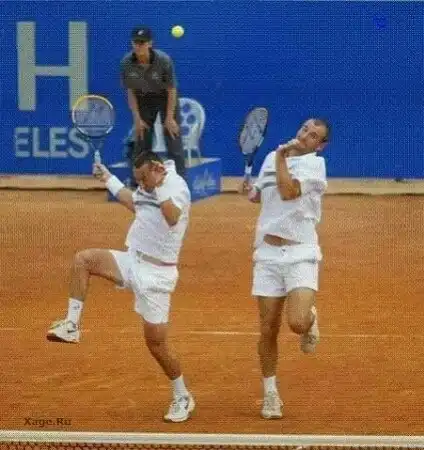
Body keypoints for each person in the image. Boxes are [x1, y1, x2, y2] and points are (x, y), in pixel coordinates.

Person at [46, 151, 194, 423]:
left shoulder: (176, 186)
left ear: (156, 169)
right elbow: (134, 202)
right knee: (84, 260)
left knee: (156, 344)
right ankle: (72, 325)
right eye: (137, 180)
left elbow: (173, 217)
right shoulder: (147, 185)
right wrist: (107, 178)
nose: (141, 185)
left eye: (143, 179)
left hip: (157, 276)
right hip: (131, 261)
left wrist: (158, 187)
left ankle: (182, 395)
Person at [244, 118, 330, 419]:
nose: (305, 136)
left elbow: (289, 192)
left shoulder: (315, 166)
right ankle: (270, 393)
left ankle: (310, 319)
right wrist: (252, 191)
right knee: (268, 328)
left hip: (300, 252)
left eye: (314, 136)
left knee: (296, 322)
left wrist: (281, 156)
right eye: (305, 129)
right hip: (268, 254)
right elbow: (261, 194)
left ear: (320, 146)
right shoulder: (271, 157)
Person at [120, 26, 186, 179]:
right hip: (144, 99)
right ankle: (140, 183)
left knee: (173, 140)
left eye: (142, 43)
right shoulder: (126, 63)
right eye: (136, 42)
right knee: (142, 141)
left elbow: (171, 90)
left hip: (165, 98)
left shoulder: (163, 60)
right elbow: (131, 92)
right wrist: (137, 119)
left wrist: (169, 118)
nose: (139, 46)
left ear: (150, 43)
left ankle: (180, 181)